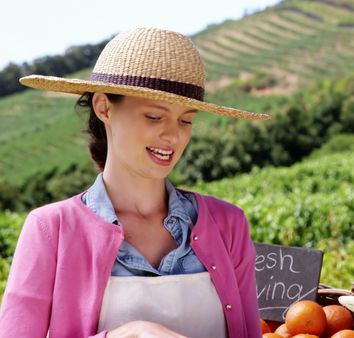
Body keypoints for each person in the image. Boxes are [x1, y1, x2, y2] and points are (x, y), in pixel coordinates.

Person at [0, 27, 270, 338]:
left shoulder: (228, 224)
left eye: (186, 120)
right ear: (104, 107)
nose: (173, 136)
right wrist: (128, 334)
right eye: (155, 117)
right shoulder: (52, 229)